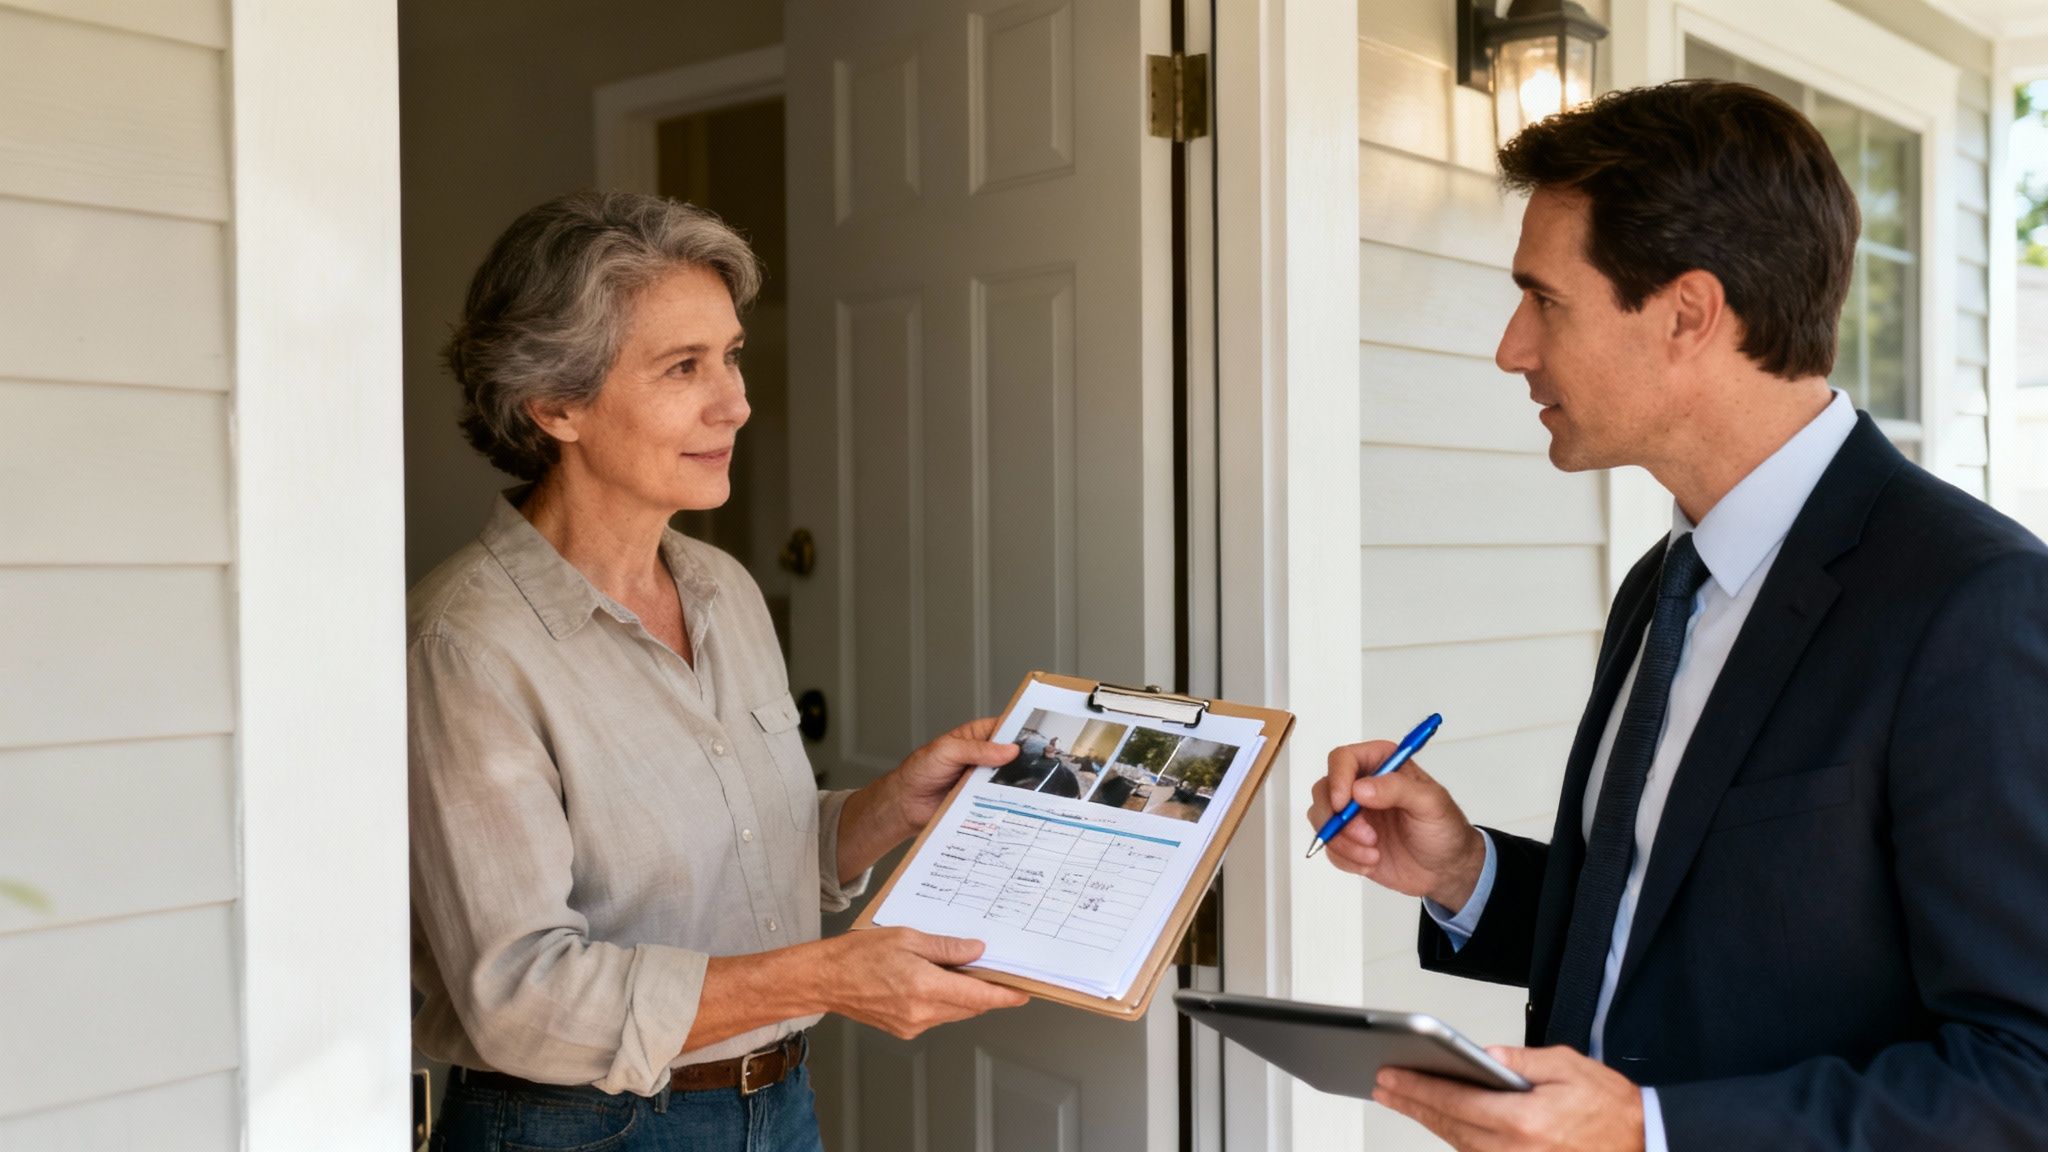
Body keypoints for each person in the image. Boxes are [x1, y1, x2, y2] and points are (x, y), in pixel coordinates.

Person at [1307, 81, 2048, 1151]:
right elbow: (1666, 936)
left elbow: (2022, 1081)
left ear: (1688, 314)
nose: (1510, 348)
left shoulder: (1974, 604)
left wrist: (1654, 1132)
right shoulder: (1664, 582)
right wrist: (1465, 872)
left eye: (1544, 300)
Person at [410, 190, 1027, 1152]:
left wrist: (890, 810)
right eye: (682, 367)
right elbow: (518, 996)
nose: (735, 402)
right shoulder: (466, 645)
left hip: (777, 1107)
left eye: (730, 355)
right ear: (556, 405)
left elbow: (735, 858)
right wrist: (827, 976)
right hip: (576, 1130)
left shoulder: (721, 587)